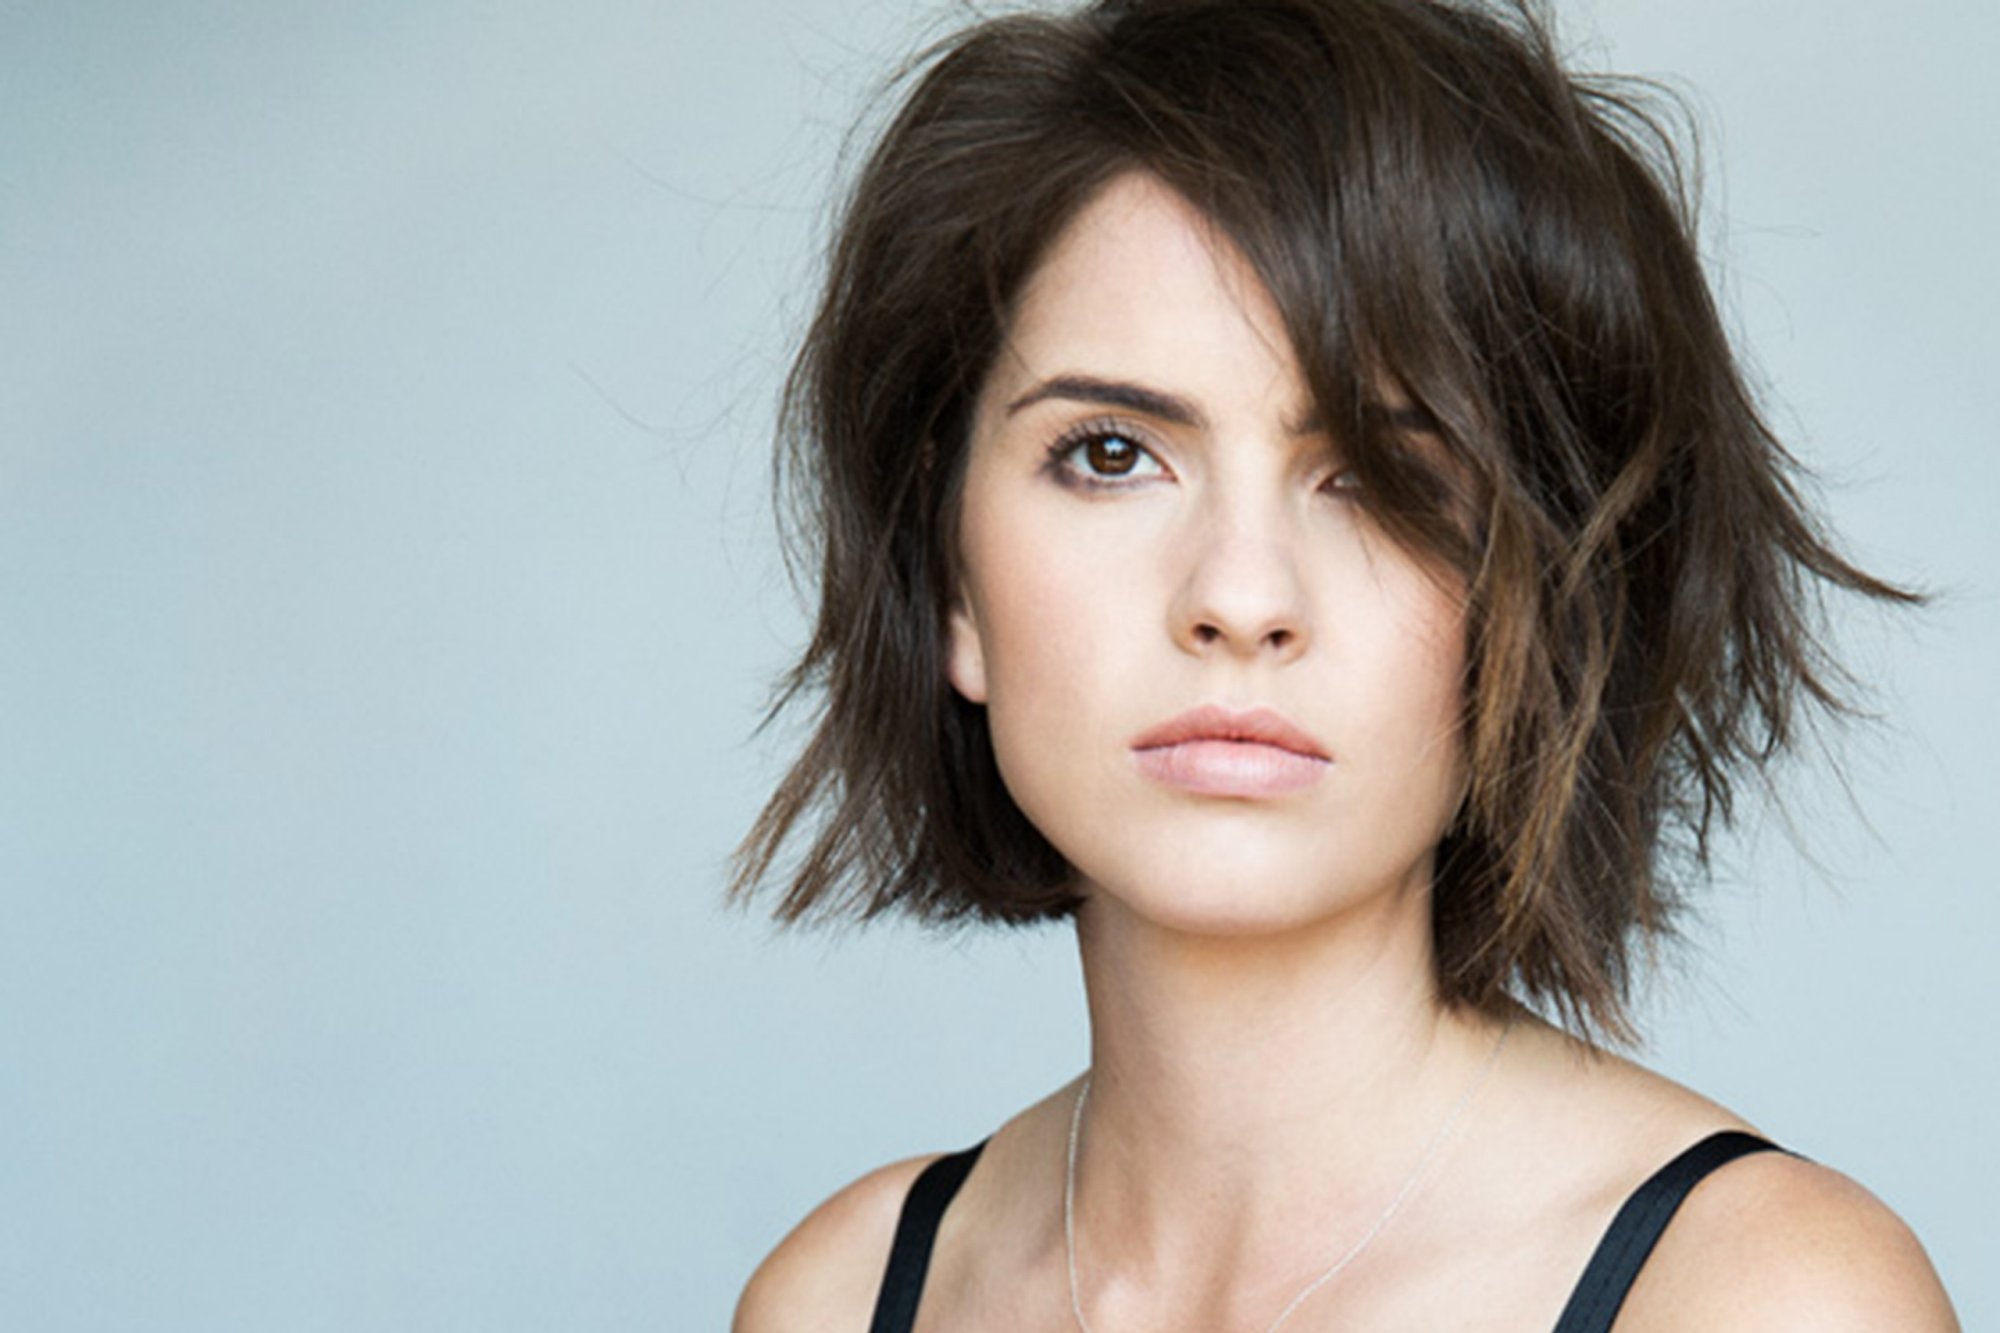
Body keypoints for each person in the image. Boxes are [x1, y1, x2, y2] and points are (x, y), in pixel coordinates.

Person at [729, 0, 1959, 1327]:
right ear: (953, 579)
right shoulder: (837, 1298)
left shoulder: (1760, 1296)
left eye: (1378, 477)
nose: (1239, 598)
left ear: (1541, 598)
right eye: (1112, 454)